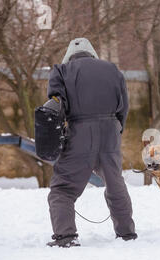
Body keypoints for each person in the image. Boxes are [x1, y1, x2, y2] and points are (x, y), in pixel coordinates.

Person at [46, 38, 137, 247]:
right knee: (115, 184)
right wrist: (116, 129)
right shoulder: (112, 69)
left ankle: (66, 237)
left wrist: (59, 138)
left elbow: (55, 107)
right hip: (110, 131)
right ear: (93, 53)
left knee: (63, 189)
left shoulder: (61, 71)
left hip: (79, 132)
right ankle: (126, 234)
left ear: (69, 56)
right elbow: (124, 105)